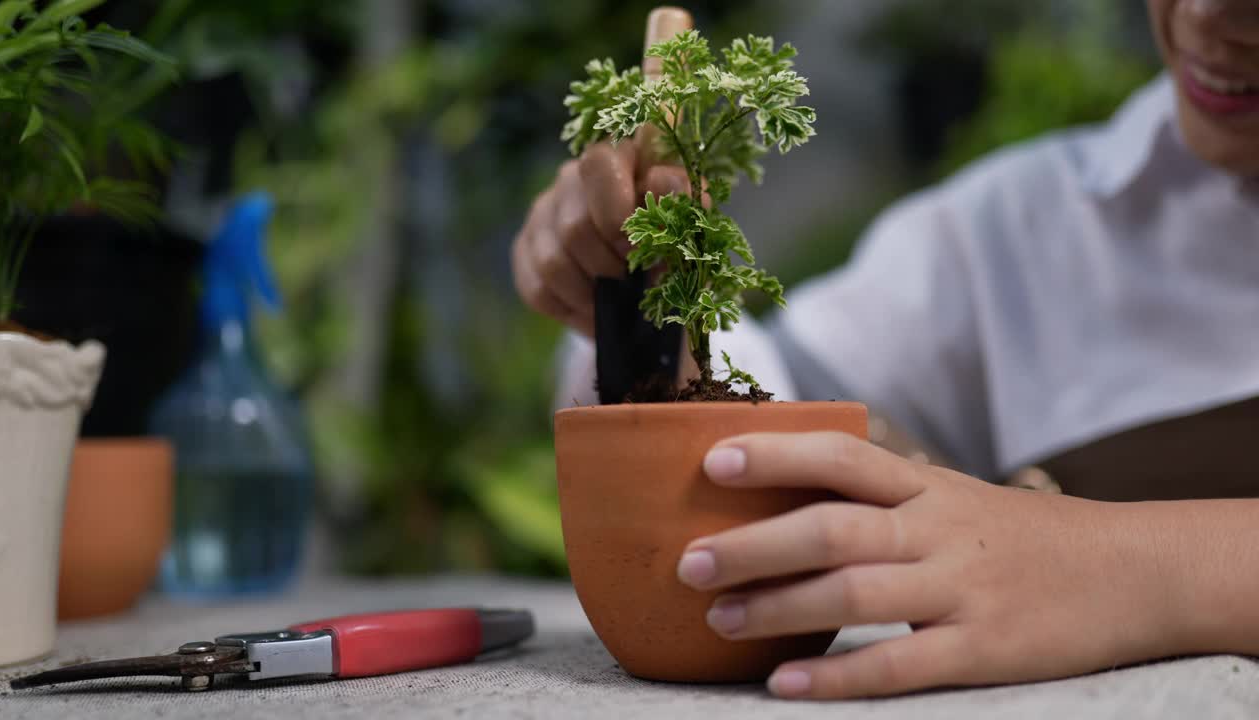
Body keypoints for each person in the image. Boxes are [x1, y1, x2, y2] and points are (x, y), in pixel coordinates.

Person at [511, 0, 1259, 700]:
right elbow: (780, 414)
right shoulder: (1021, 233)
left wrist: (1119, 567)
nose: (1200, 14)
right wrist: (635, 307)